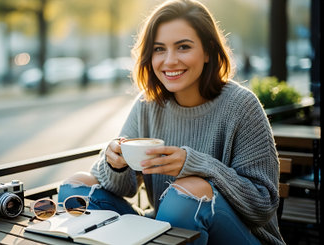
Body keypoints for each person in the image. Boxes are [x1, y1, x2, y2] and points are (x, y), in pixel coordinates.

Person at [57, 0, 285, 244]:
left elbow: (263, 205)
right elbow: (120, 188)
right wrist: (116, 163)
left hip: (243, 236)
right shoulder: (148, 105)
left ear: (208, 50)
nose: (169, 60)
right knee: (75, 189)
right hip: (166, 230)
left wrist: (197, 165)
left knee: (187, 195)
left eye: (183, 47)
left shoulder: (241, 106)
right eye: (159, 49)